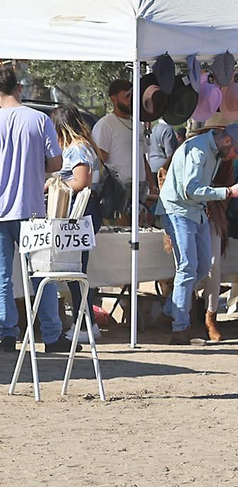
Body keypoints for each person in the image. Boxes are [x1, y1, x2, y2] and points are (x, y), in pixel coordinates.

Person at [0, 65, 65, 353]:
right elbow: (56, 163)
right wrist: (35, 170)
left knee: (0, 275)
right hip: (30, 207)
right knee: (41, 273)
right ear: (19, 88)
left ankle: (8, 333)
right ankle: (51, 334)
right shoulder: (39, 119)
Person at [157, 122, 236, 344]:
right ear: (228, 141)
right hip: (179, 210)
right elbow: (190, 189)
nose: (234, 157)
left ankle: (170, 310)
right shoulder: (198, 150)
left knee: (201, 267)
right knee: (188, 267)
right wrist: (227, 192)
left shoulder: (215, 151)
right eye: (235, 152)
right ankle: (180, 329)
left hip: (196, 211)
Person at [52, 104, 105, 340]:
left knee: (76, 271)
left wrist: (54, 186)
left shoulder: (78, 149)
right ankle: (87, 323)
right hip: (81, 213)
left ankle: (83, 325)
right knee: (76, 271)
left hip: (80, 213)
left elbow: (81, 181)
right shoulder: (82, 147)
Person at [92, 78, 146, 223]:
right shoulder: (105, 124)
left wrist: (152, 186)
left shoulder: (138, 124)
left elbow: (143, 157)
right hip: (118, 188)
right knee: (120, 233)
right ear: (114, 99)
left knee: (141, 231)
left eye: (133, 96)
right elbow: (99, 159)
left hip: (139, 187)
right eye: (126, 96)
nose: (131, 100)